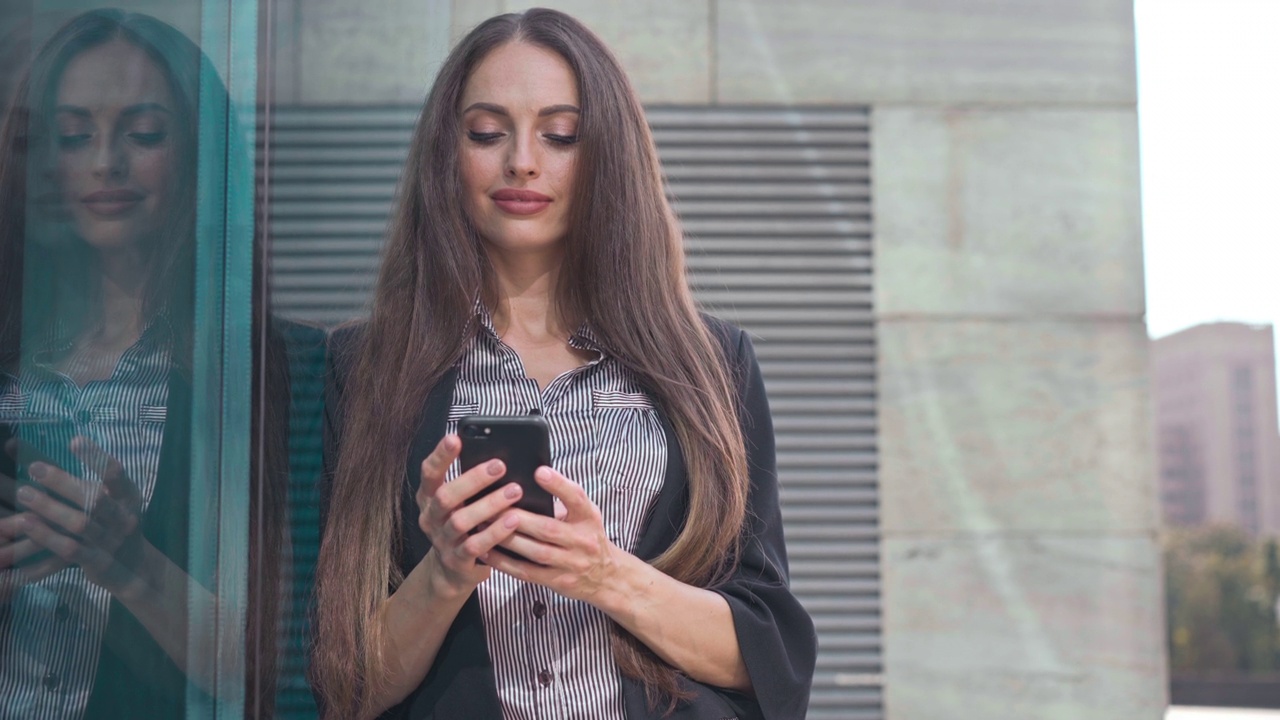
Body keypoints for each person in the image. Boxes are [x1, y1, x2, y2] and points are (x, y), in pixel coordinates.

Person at [312, 8, 816, 720]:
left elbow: (770, 660)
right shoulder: (360, 368)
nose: (522, 159)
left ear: (607, 153)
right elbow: (345, 689)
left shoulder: (712, 362)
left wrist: (604, 573)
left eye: (561, 135)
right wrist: (448, 569)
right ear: (443, 154)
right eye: (487, 133)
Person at [0, 9, 291, 718]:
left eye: (144, 133)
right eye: (73, 137)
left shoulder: (256, 373)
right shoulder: (14, 370)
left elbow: (266, 670)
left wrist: (129, 565)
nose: (105, 162)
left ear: (197, 150)